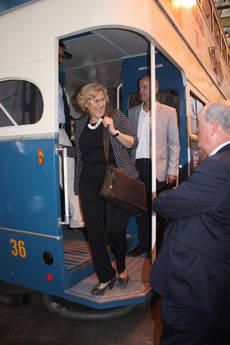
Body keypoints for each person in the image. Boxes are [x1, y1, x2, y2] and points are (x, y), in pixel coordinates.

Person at [150, 100, 230, 344]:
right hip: (215, 275)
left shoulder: (218, 168)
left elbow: (163, 204)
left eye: (200, 125)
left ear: (214, 126)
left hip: (195, 284)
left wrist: (168, 194)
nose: (196, 133)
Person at [68, 83, 138, 295]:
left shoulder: (115, 116)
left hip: (112, 181)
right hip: (88, 183)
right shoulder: (80, 125)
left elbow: (132, 143)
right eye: (95, 100)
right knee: (94, 232)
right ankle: (105, 276)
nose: (100, 104)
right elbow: (80, 153)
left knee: (116, 230)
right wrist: (60, 149)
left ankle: (122, 268)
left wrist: (113, 131)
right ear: (85, 104)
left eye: (102, 99)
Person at [128, 75, 180, 257]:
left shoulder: (168, 112)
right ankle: (143, 245)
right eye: (139, 87)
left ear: (155, 89)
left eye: (145, 87)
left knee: (157, 209)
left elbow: (174, 144)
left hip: (158, 168)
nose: (141, 91)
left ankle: (157, 247)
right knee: (140, 208)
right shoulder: (133, 112)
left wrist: (172, 170)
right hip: (137, 165)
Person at [58, 41, 84, 228]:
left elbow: (66, 112)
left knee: (71, 173)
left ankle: (77, 217)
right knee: (68, 175)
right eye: (58, 56)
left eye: (61, 56)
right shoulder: (48, 80)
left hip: (61, 131)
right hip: (54, 132)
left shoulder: (57, 84)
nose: (60, 60)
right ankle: (77, 218)